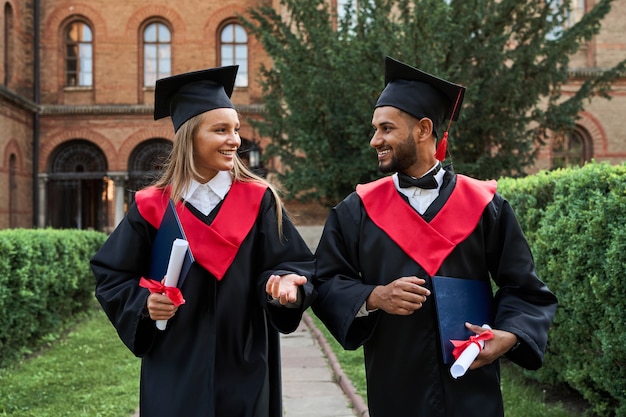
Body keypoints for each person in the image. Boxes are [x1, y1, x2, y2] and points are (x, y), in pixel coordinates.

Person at [311, 57, 558, 417]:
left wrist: (509, 336)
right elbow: (327, 280)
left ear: (423, 129)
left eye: (386, 129)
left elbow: (524, 289)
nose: (374, 140)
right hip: (396, 388)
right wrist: (374, 296)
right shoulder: (357, 210)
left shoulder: (485, 205)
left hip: (473, 390)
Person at [90, 65, 316, 417]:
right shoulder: (154, 207)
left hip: (244, 361)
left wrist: (285, 285)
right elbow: (112, 276)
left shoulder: (259, 200)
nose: (235, 140)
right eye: (221, 130)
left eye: (236, 130)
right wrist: (144, 305)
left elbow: (293, 264)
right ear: (191, 137)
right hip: (174, 365)